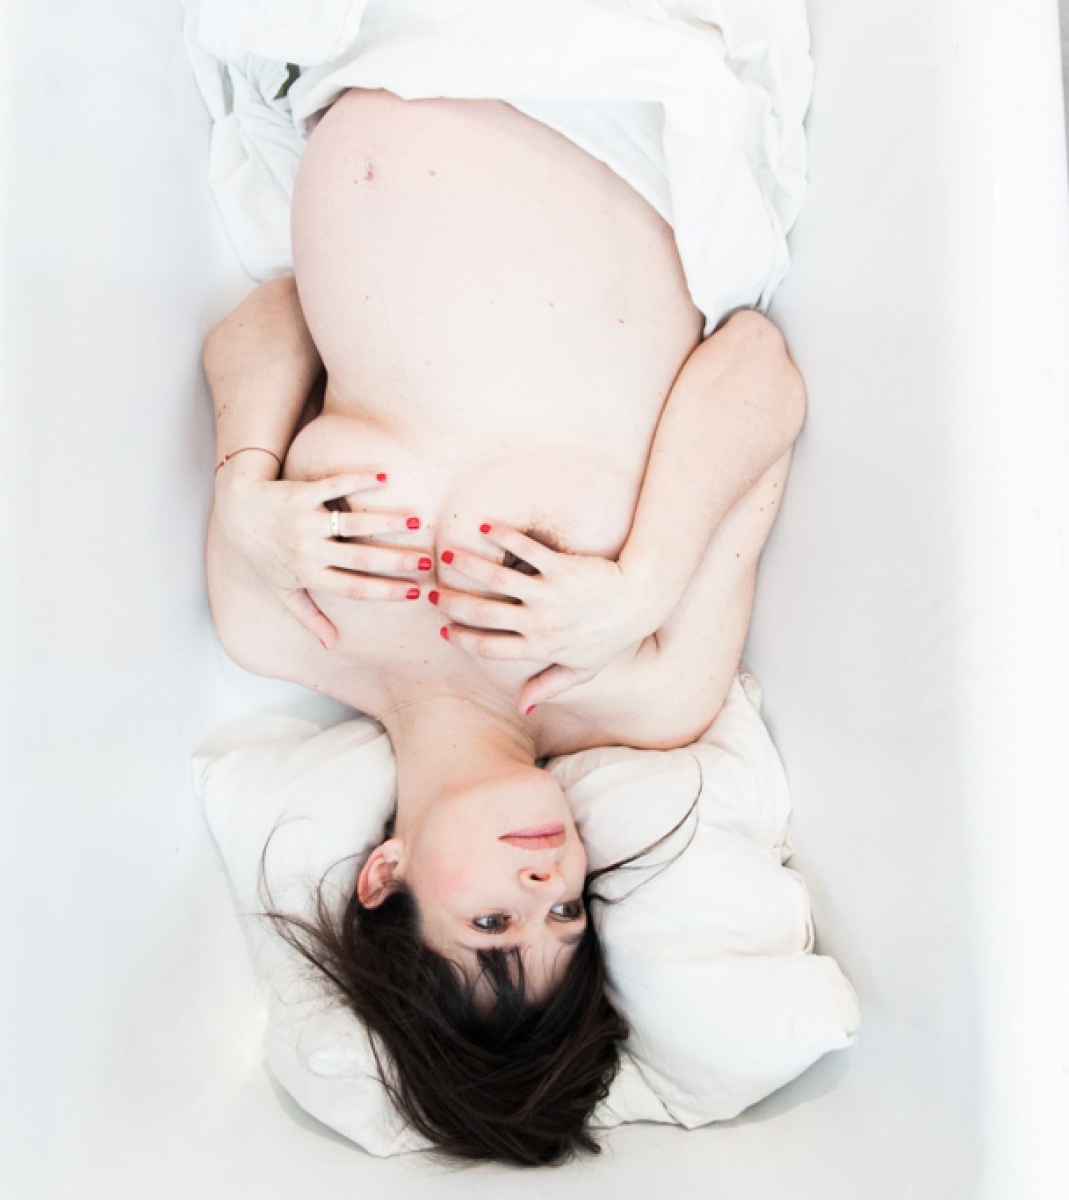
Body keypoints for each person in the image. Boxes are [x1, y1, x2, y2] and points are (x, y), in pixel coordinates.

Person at [204, 88, 806, 1165]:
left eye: (492, 927)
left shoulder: (275, 631)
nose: (547, 889)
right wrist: (645, 582)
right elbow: (757, 363)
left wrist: (246, 486)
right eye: (569, 920)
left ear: (384, 876)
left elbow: (273, 314)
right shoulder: (654, 690)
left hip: (374, 54)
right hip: (603, 89)